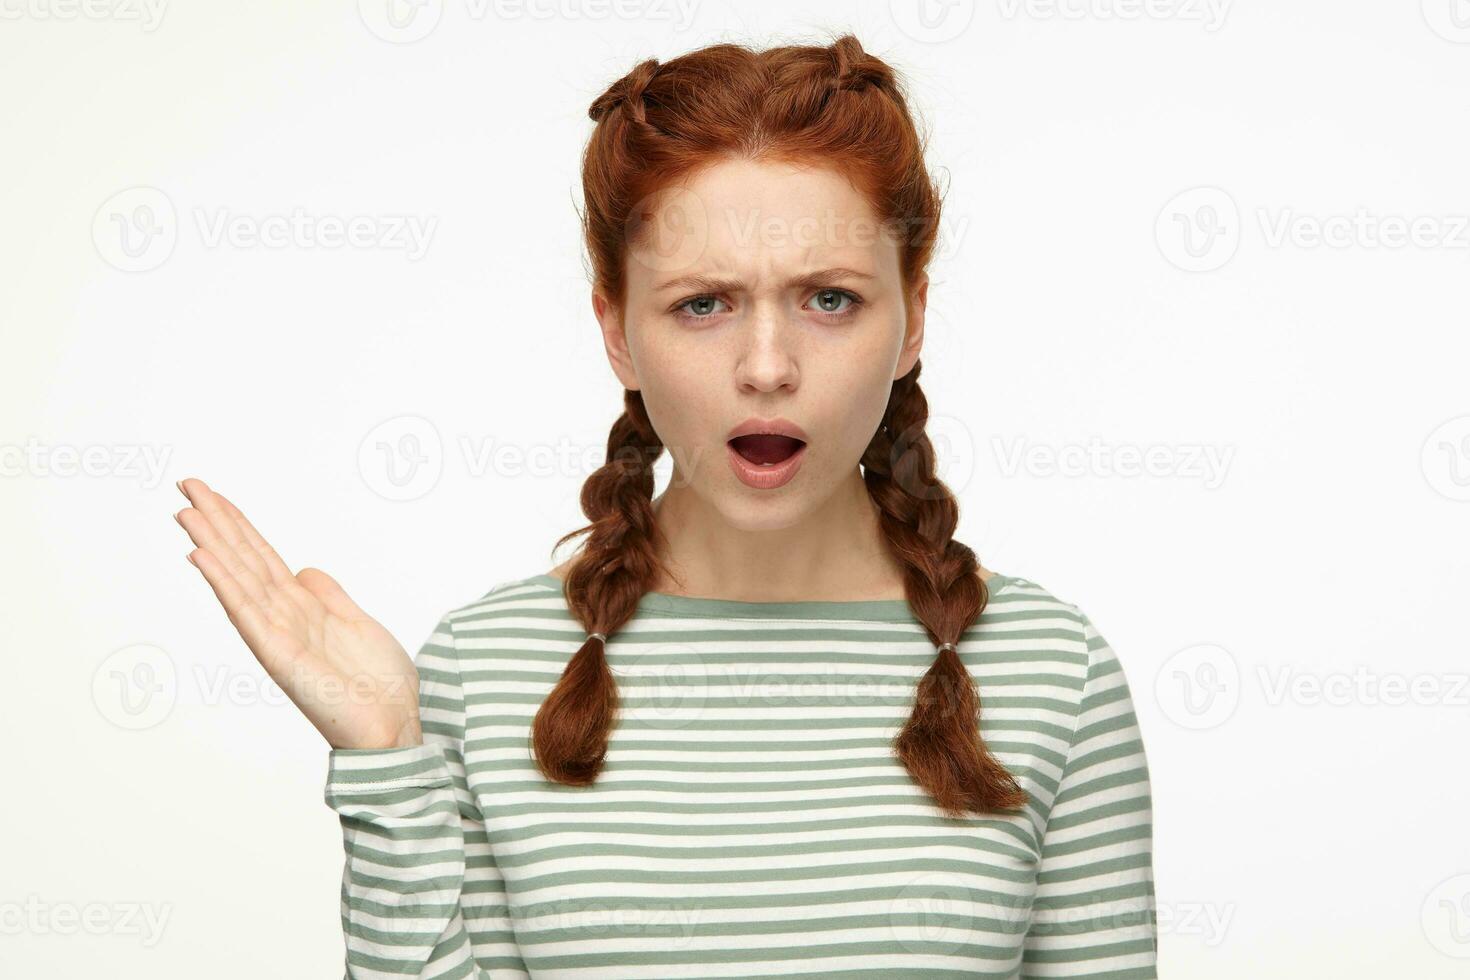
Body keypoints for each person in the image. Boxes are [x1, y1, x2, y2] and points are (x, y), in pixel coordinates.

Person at [174, 33, 1157, 979]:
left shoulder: (1054, 673)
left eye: (829, 300)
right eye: (702, 304)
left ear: (913, 321)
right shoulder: (483, 673)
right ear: (616, 331)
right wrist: (386, 755)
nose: (766, 368)